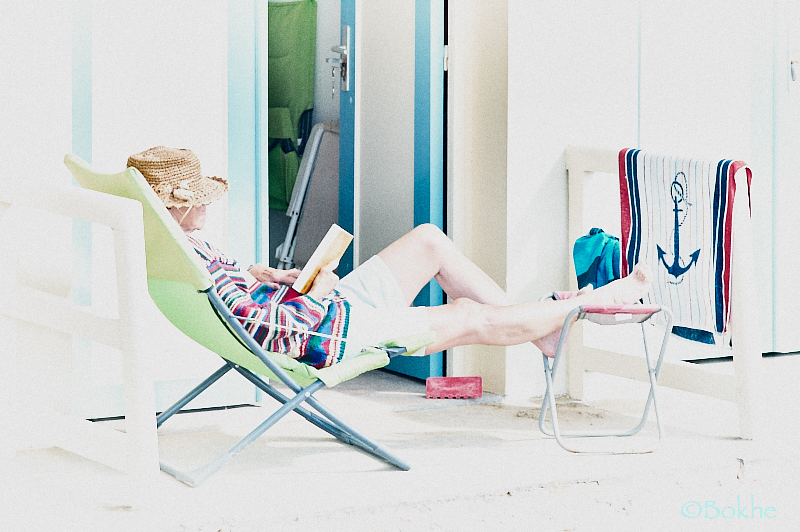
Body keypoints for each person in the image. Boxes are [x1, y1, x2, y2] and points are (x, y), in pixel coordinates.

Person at [127, 146, 653, 368]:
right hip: (329, 331)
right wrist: (320, 290)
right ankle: (591, 304)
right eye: (198, 198)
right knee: (466, 314)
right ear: (178, 205)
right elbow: (275, 331)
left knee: (428, 240)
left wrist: (265, 275)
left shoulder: (177, 246)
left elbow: (238, 298)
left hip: (323, 310)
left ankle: (544, 332)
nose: (207, 205)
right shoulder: (184, 248)